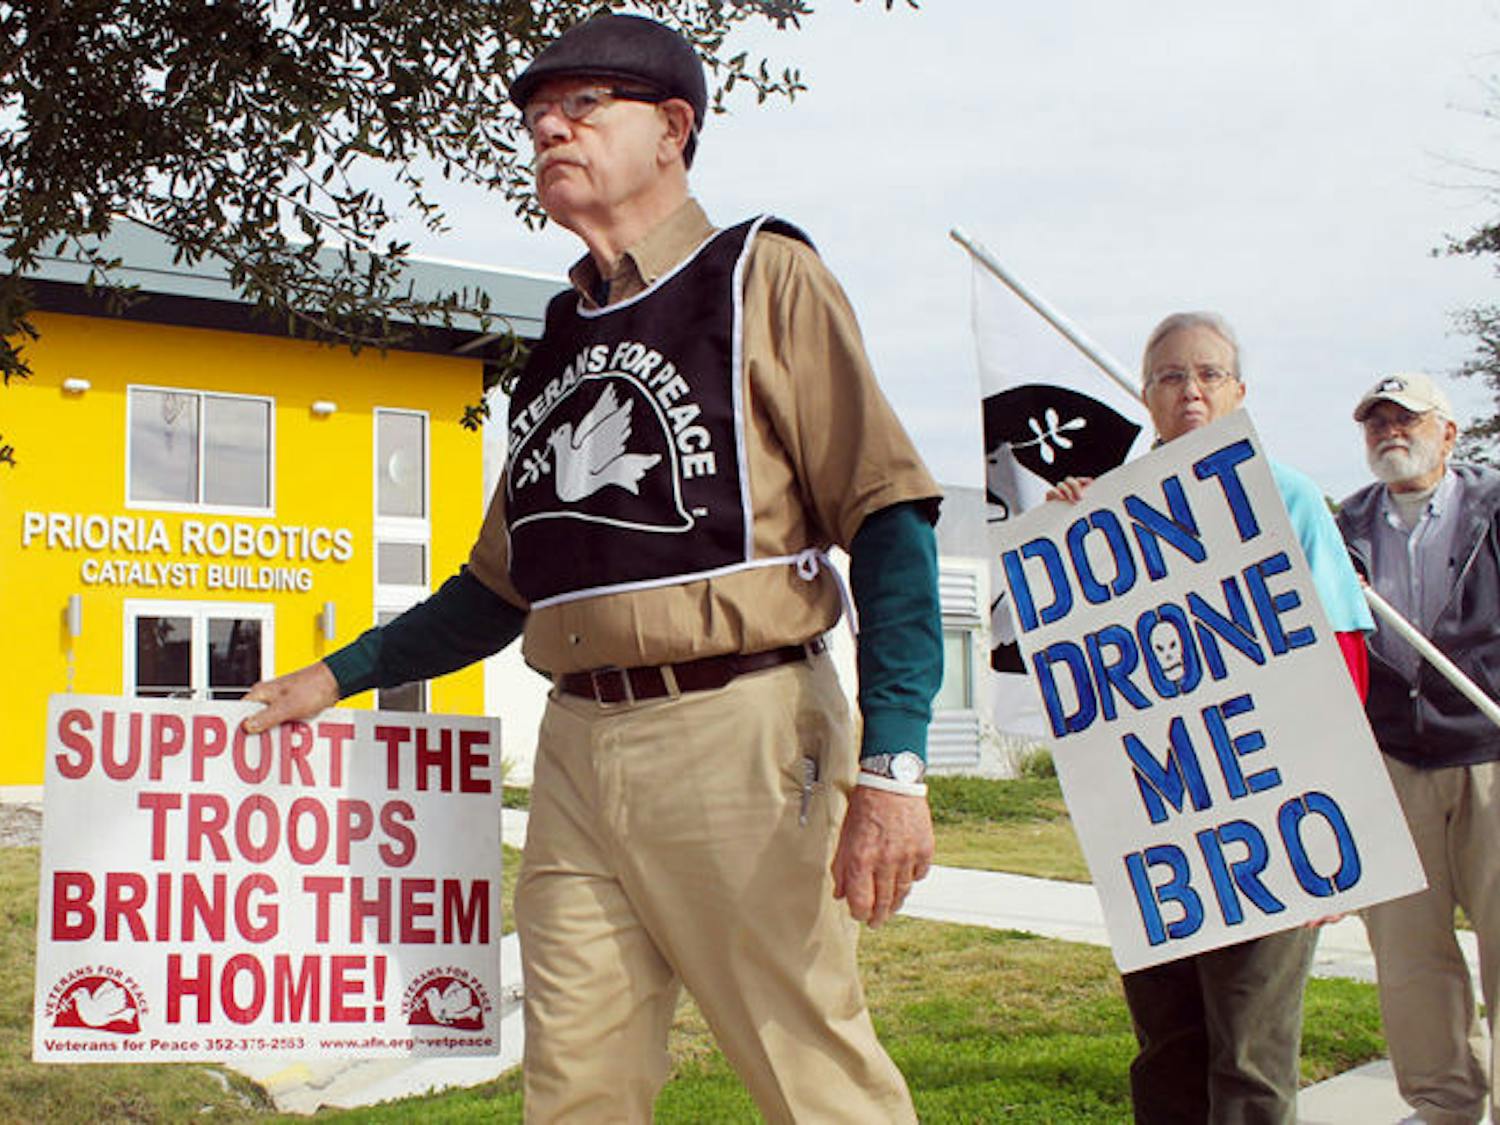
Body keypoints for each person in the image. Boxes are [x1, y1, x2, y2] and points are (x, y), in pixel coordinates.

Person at [242, 13, 943, 1123]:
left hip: (742, 726)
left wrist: (895, 766)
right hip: (576, 747)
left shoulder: (763, 273)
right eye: (535, 118)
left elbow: (890, 513)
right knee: (575, 1082)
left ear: (674, 128)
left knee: (809, 1072)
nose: (548, 131)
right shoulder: (558, 340)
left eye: (581, 107)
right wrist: (334, 675)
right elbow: (498, 588)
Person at [1048, 311, 1373, 1124]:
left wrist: (1336, 826)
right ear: (1145, 394)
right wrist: (1061, 532)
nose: (1189, 390)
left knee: (1251, 1054)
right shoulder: (1104, 512)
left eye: (1208, 375)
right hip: (1154, 821)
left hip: (1267, 811)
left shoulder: (1284, 494)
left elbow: (1341, 657)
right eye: (1169, 376)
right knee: (1166, 1044)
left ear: (1238, 391)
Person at [1336, 372, 1500, 1125]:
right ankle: (1443, 1102)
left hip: (1488, 753)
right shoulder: (1345, 525)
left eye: (1407, 418)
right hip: (1393, 761)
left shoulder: (1493, 505)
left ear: (1449, 432)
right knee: (1408, 956)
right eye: (1377, 422)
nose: (1390, 431)